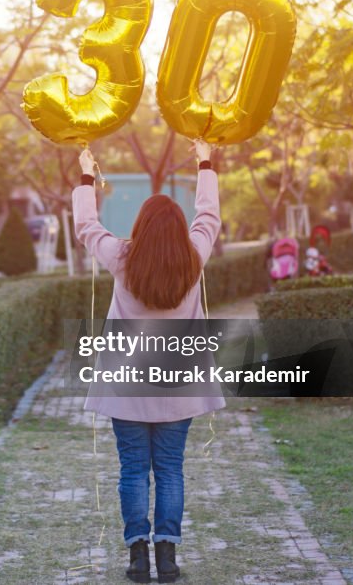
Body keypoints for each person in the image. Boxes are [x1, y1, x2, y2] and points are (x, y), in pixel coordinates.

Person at [72, 139, 225, 583]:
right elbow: (209, 216)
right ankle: (168, 557)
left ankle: (138, 556)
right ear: (178, 229)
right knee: (171, 469)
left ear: (140, 225)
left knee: (134, 469)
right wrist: (205, 162)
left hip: (127, 389)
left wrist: (86, 175)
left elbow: (86, 225)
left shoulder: (122, 257)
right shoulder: (193, 257)